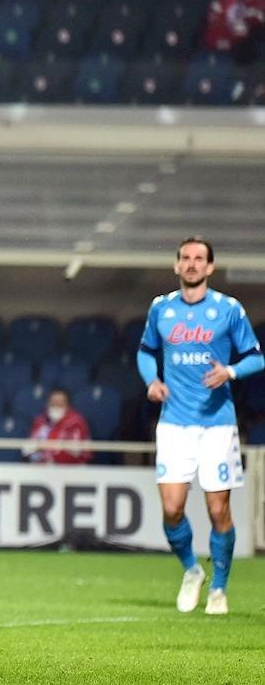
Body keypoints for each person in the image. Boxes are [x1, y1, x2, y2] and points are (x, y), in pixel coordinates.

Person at [137, 236, 263, 615]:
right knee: (172, 508)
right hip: (174, 423)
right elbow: (146, 352)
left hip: (217, 425)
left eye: (199, 258)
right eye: (186, 258)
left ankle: (219, 588)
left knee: (218, 511)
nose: (192, 264)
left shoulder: (228, 309)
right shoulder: (161, 308)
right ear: (177, 265)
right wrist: (152, 381)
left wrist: (230, 371)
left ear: (210, 267)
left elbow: (256, 357)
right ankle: (192, 570)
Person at [27, 388, 93, 464]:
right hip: (41, 467)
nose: (56, 406)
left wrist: (49, 449)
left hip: (69, 468)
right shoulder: (40, 421)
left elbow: (77, 453)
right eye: (53, 403)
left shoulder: (77, 423)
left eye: (60, 404)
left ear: (67, 405)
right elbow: (29, 450)